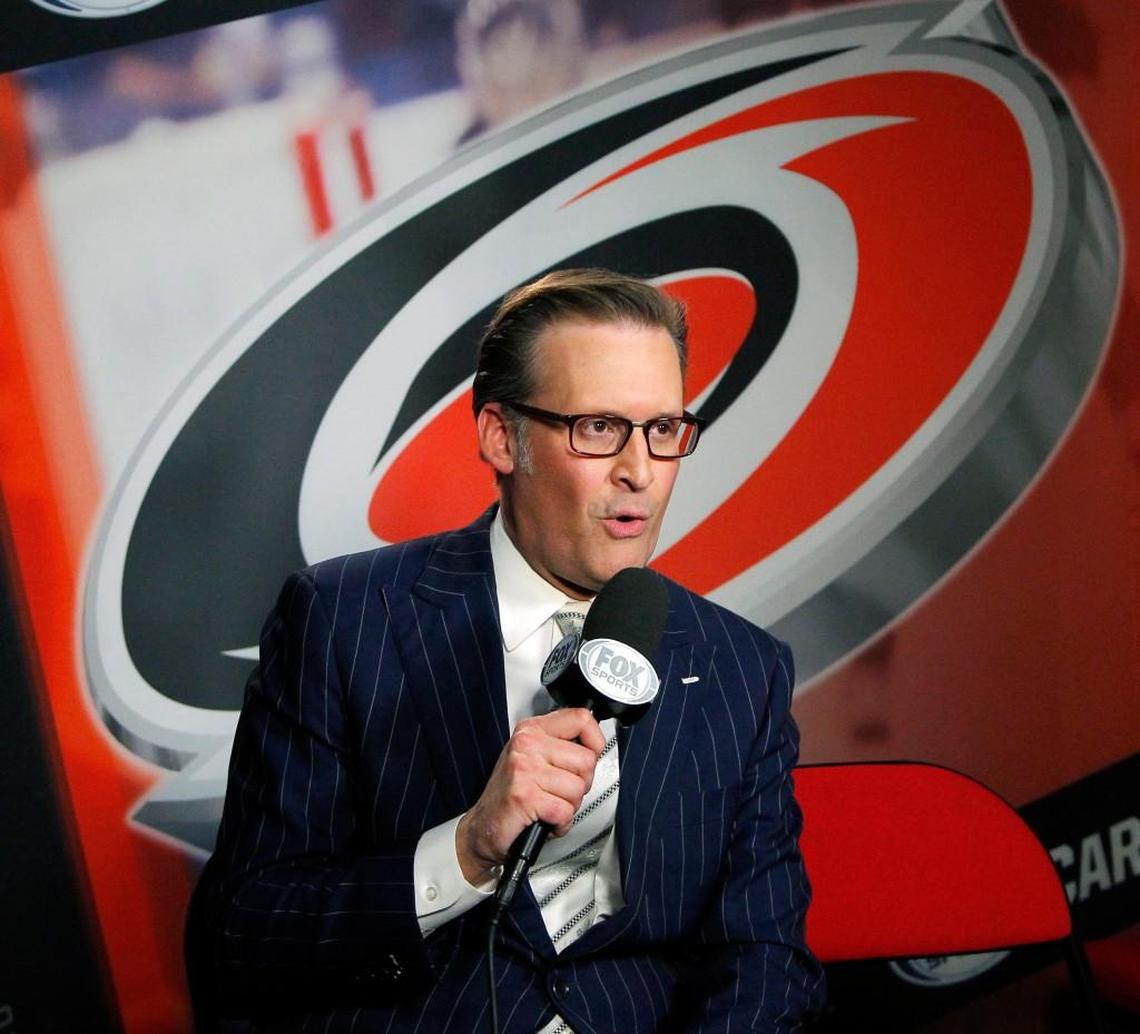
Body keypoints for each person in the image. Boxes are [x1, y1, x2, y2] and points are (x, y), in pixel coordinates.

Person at [202, 268, 825, 1031]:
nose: (639, 472)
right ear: (502, 437)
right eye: (599, 427)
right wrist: (466, 849)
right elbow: (243, 933)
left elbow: (765, 958)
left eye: (663, 429)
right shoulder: (343, 620)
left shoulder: (742, 668)